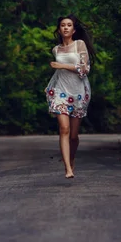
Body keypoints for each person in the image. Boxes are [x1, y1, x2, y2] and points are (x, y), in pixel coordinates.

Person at [45, 14, 96, 178]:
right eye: (62, 25)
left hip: (79, 93)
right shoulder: (56, 49)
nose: (65, 27)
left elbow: (85, 69)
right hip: (60, 92)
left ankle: (71, 158)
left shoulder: (79, 45)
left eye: (68, 25)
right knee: (64, 129)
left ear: (74, 30)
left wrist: (62, 65)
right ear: (59, 29)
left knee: (74, 135)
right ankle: (68, 168)